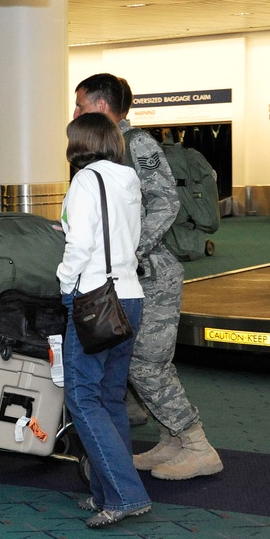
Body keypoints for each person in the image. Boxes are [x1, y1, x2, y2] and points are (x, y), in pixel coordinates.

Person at [73, 73, 223, 481]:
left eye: (81, 105)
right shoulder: (106, 148)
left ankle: (197, 445)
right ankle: (172, 441)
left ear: (101, 106)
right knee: (144, 361)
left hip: (151, 273)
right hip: (126, 273)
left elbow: (166, 201)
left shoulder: (136, 144)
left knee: (146, 365)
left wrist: (133, 249)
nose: (76, 113)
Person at [57, 112, 150, 528]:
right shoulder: (127, 179)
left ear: (80, 142)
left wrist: (65, 284)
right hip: (129, 296)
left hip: (95, 297)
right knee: (110, 397)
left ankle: (126, 494)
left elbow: (79, 243)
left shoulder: (84, 181)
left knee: (81, 396)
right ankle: (104, 493)